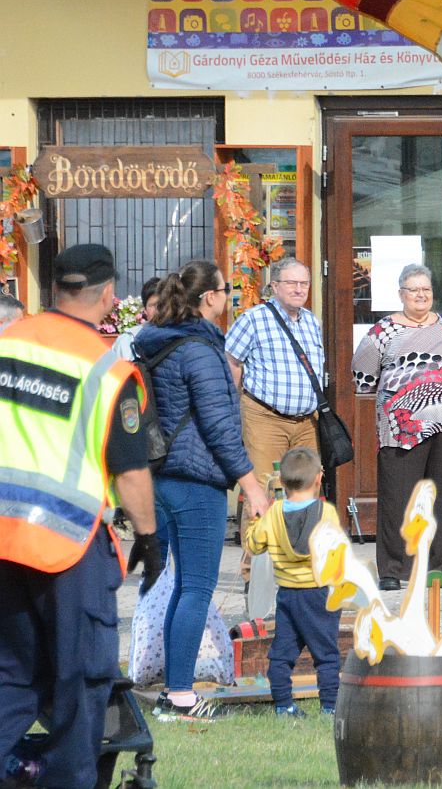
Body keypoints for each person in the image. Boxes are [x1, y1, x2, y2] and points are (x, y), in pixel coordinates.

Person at [0, 244, 162, 787]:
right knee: (82, 677)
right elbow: (131, 470)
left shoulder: (7, 343)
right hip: (67, 546)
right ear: (109, 298)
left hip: (2, 540)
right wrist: (149, 536)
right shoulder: (107, 371)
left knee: (11, 676)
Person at [135, 258, 271, 722]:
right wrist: (251, 485)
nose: (229, 296)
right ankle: (180, 696)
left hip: (162, 476)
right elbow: (218, 426)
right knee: (195, 588)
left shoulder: (158, 341)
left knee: (182, 589)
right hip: (196, 481)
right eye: (225, 290)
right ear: (210, 297)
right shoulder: (199, 349)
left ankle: (175, 692)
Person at [352, 263, 442, 590]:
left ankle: (440, 569)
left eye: (426, 290)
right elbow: (363, 377)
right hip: (400, 426)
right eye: (414, 290)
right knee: (397, 497)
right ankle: (394, 570)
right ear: (401, 294)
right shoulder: (383, 331)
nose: (421, 295)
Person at [242, 446, 342, 718]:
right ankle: (331, 707)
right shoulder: (327, 513)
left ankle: (284, 705)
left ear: (282, 482)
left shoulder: (273, 514)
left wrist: (253, 521)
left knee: (282, 654)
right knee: (327, 655)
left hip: (287, 596)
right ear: (319, 478)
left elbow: (254, 546)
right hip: (319, 595)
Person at [224, 258, 325, 491]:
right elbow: (231, 362)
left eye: (304, 283)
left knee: (307, 491)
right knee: (265, 492)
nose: (299, 289)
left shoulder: (311, 322)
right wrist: (233, 406)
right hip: (265, 420)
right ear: (275, 286)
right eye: (291, 283)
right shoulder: (253, 318)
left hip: (307, 423)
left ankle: (300, 530)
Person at [111, 276, 162, 362]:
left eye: (162, 304)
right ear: (145, 310)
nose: (158, 311)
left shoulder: (182, 339)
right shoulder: (126, 342)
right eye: (153, 305)